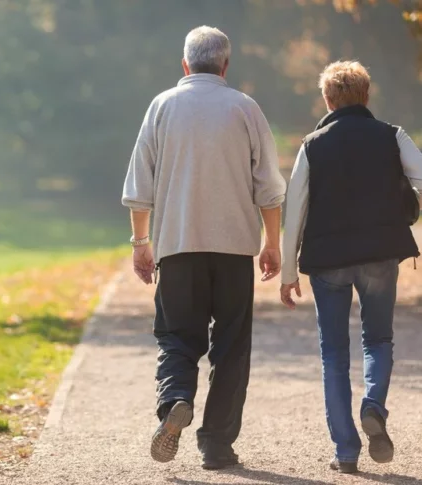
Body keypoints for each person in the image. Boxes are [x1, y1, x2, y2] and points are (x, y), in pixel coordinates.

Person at [121, 26, 286, 470]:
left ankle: (175, 400)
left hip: (178, 247)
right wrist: (273, 244)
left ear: (185, 64)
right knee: (231, 346)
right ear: (225, 65)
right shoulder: (245, 108)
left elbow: (140, 186)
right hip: (234, 251)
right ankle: (216, 445)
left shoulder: (162, 107)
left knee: (177, 335)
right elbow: (269, 189)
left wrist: (141, 243)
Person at [280, 61, 422, 474]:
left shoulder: (312, 145)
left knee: (334, 355)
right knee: (378, 340)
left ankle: (346, 451)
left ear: (327, 100)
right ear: (366, 96)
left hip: (329, 263)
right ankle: (373, 405)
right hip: (380, 253)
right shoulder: (392, 136)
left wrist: (289, 272)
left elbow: (297, 210)